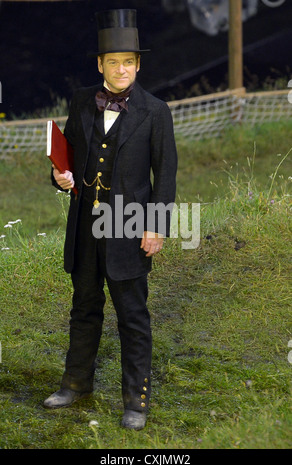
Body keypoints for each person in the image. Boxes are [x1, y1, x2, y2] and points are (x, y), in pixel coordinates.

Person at [44, 9, 177, 431]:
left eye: (129, 62)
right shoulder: (82, 100)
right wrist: (59, 177)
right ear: (100, 64)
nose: (122, 70)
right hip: (86, 224)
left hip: (130, 226)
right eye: (113, 62)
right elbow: (68, 160)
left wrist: (156, 226)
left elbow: (165, 174)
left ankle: (135, 402)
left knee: (132, 315)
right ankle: (75, 383)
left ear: (139, 65)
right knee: (84, 307)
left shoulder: (156, 111)